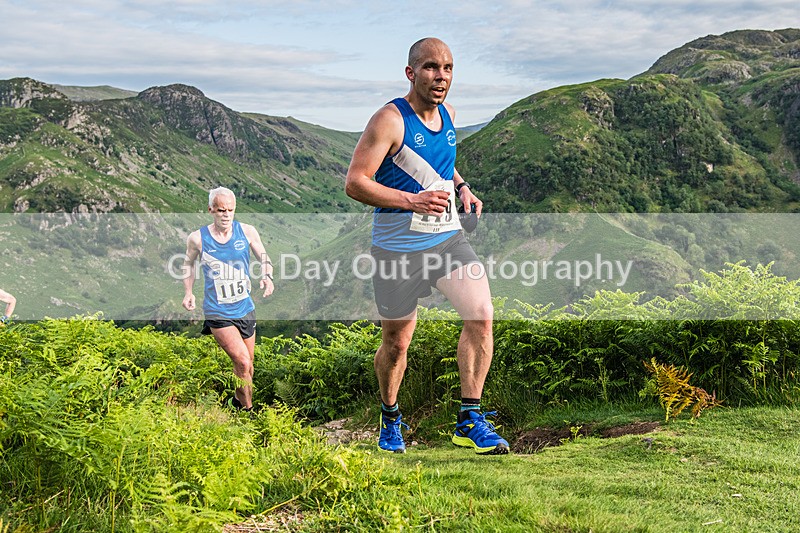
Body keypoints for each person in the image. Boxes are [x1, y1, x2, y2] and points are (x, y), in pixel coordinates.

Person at [345, 37, 508, 455]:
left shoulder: (450, 114)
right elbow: (355, 183)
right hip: (396, 250)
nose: (441, 77)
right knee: (397, 343)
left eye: (449, 68)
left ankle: (470, 419)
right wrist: (412, 201)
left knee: (482, 314)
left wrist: (463, 187)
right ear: (411, 72)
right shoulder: (389, 120)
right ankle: (390, 416)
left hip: (447, 239)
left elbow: (441, 165)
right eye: (432, 67)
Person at [182, 187, 274, 411]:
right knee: (242, 362)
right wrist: (188, 292)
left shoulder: (247, 232)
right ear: (211, 210)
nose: (225, 215)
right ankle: (248, 412)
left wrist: (267, 276)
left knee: (248, 367)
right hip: (218, 312)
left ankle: (235, 401)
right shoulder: (197, 238)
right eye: (221, 210)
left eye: (230, 210)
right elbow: (188, 265)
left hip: (245, 308)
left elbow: (264, 257)